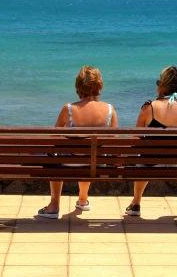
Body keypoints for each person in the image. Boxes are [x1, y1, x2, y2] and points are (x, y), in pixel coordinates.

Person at [38, 65, 119, 218]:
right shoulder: (109, 109)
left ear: (78, 87)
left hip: (69, 162)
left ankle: (54, 205)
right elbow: (114, 143)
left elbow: (53, 138)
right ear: (99, 86)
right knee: (90, 154)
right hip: (96, 164)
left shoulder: (68, 109)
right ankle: (82, 200)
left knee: (55, 156)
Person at [125, 65, 177, 218]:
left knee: (143, 159)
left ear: (162, 85)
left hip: (150, 162)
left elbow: (135, 139)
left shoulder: (149, 108)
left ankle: (136, 203)